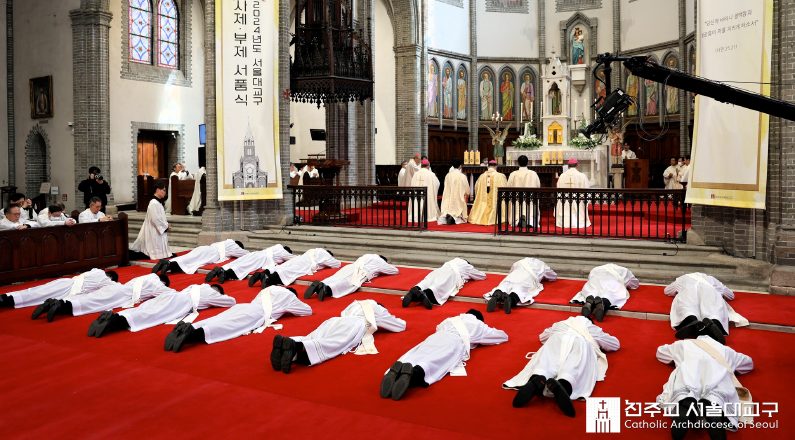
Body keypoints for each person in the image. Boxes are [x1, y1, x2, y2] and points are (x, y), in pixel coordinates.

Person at [380, 309, 508, 400]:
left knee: (418, 354)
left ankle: (397, 369)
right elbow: (501, 336)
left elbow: (438, 328)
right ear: (478, 318)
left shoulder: (450, 319)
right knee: (435, 361)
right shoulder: (478, 324)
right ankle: (413, 374)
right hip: (453, 343)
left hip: (435, 338)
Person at [504, 316, 620, 417]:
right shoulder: (591, 328)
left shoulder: (561, 323)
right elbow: (615, 345)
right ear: (590, 321)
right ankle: (564, 385)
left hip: (557, 338)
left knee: (545, 364)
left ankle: (537, 379)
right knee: (573, 369)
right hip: (579, 342)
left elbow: (542, 336)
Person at [270, 300, 406, 374]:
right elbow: (399, 326)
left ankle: (290, 342)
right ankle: (296, 346)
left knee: (312, 337)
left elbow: (343, 312)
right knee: (333, 344)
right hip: (353, 324)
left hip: (334, 321)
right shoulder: (377, 309)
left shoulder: (356, 303)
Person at [656, 336, 754, 439]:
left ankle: (686, 404)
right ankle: (712, 405)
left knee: (684, 389)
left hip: (689, 373)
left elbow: (660, 352)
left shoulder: (683, 344)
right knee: (718, 391)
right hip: (717, 375)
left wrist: (675, 358)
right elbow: (749, 363)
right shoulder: (727, 351)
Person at [163, 286, 313, 353]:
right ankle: (191, 335)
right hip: (256, 314)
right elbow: (307, 311)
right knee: (227, 327)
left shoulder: (269, 289)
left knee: (218, 318)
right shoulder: (289, 296)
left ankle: (189, 327)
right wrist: (291, 303)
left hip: (244, 306)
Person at [87, 284, 235, 338]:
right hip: (181, 302)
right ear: (217, 291)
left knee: (145, 309)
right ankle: (114, 322)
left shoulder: (195, 286)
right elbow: (231, 301)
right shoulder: (212, 293)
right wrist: (221, 295)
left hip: (171, 295)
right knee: (150, 315)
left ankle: (114, 317)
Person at [33, 273, 171, 323]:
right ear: (163, 281)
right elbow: (169, 294)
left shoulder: (142, 278)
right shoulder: (157, 284)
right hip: (122, 294)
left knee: (89, 298)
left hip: (116, 288)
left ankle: (57, 303)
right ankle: (60, 306)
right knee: (91, 304)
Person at [665, 273, 748, 345]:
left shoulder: (683, 278)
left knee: (686, 308)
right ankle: (713, 323)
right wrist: (721, 293)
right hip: (710, 293)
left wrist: (677, 291)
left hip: (688, 292)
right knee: (714, 311)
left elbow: (667, 291)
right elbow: (731, 295)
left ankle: (691, 320)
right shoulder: (711, 279)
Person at [0, 268, 118, 310]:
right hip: (69, 290)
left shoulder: (96, 270)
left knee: (38, 291)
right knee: (39, 295)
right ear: (111, 278)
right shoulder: (107, 281)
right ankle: (8, 300)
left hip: (65, 282)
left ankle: (7, 298)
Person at [304, 254, 398, 301]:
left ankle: (322, 283)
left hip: (350, 267)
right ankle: (326, 289)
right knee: (349, 283)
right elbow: (394, 270)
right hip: (362, 272)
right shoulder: (380, 261)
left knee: (336, 277)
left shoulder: (367, 255)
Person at [403, 258, 486, 309]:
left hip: (439, 270)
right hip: (451, 274)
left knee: (427, 281)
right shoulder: (467, 266)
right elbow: (481, 276)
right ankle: (425, 294)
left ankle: (416, 289)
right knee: (439, 286)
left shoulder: (454, 260)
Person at [484, 257, 556, 314]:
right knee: (519, 291)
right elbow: (553, 276)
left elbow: (511, 270)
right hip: (527, 278)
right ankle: (511, 299)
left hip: (513, 276)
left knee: (503, 286)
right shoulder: (543, 265)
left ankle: (497, 294)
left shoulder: (521, 261)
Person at [570, 264, 640, 322]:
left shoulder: (596, 268)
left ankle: (589, 300)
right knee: (612, 294)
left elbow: (590, 278)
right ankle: (604, 302)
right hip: (613, 278)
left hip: (596, 276)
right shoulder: (624, 270)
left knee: (593, 289)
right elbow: (634, 284)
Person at [151, 239, 248, 276]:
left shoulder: (224, 242)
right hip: (211, 254)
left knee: (187, 258)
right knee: (191, 263)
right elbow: (245, 254)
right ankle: (168, 265)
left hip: (204, 248)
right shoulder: (234, 246)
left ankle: (167, 263)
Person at [205, 244, 294, 284]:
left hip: (255, 254)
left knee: (238, 263)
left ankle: (220, 270)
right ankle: (225, 274)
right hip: (261, 259)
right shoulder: (283, 252)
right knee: (243, 268)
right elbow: (293, 258)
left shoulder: (275, 247)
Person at [252, 248, 340, 288]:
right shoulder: (326, 255)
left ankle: (264, 273)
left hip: (299, 258)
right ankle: (269, 280)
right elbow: (336, 264)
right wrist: (330, 260)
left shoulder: (314, 250)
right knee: (289, 272)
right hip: (305, 263)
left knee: (283, 267)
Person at [130, 181, 171, 260]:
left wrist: (166, 224)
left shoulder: (158, 202)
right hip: (154, 229)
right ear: (157, 190)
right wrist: (166, 226)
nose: (165, 192)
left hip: (158, 229)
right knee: (153, 247)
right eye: (164, 190)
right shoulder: (153, 203)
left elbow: (160, 217)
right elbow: (155, 219)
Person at [469, 160, 508, 225]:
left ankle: (481, 217)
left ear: (488, 166)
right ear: (496, 167)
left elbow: (476, 188)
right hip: (495, 203)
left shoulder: (481, 176)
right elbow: (505, 188)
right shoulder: (501, 176)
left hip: (483, 202)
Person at [506, 155, 541, 227]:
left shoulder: (513, 174)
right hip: (530, 197)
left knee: (517, 209)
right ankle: (530, 221)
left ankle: (517, 220)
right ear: (527, 162)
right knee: (530, 209)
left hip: (517, 197)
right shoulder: (533, 173)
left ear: (518, 163)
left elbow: (508, 187)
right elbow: (538, 186)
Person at [555, 158, 591, 228]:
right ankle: (578, 222)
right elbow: (586, 190)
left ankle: (565, 223)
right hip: (578, 200)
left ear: (568, 166)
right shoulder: (582, 176)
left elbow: (558, 189)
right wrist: (586, 200)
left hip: (565, 200)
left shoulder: (562, 176)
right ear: (577, 165)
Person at [407, 159, 440, 223]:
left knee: (417, 203)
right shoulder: (431, 174)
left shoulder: (416, 174)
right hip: (427, 195)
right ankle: (427, 215)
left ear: (421, 166)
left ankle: (416, 215)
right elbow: (437, 184)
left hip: (417, 195)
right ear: (428, 166)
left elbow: (412, 184)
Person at [438, 159, 470, 225]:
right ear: (460, 166)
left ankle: (448, 216)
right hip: (458, 198)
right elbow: (466, 188)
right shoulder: (462, 176)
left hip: (448, 197)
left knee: (447, 208)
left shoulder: (448, 175)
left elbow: (445, 186)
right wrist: (467, 193)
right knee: (459, 210)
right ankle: (455, 218)